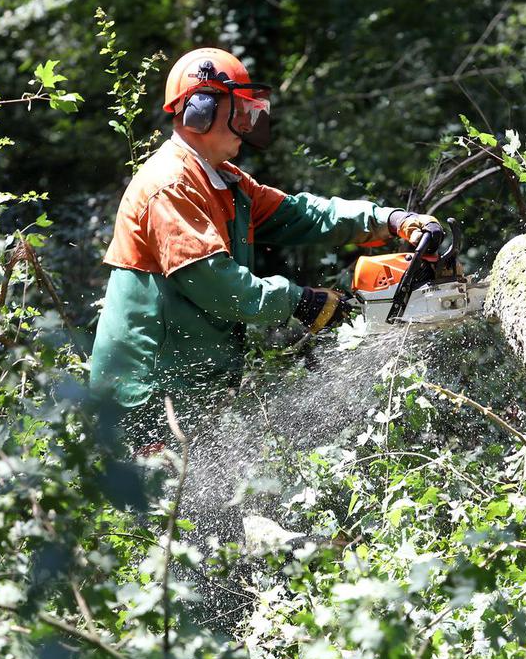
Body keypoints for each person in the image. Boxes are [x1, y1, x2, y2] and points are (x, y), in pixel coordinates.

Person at [89, 47, 436, 436]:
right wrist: (299, 301)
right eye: (238, 111)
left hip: (186, 386)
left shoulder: (223, 181)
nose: (247, 122)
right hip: (147, 392)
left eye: (249, 112)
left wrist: (390, 220)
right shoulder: (169, 186)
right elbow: (217, 284)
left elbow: (303, 215)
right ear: (199, 110)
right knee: (157, 496)